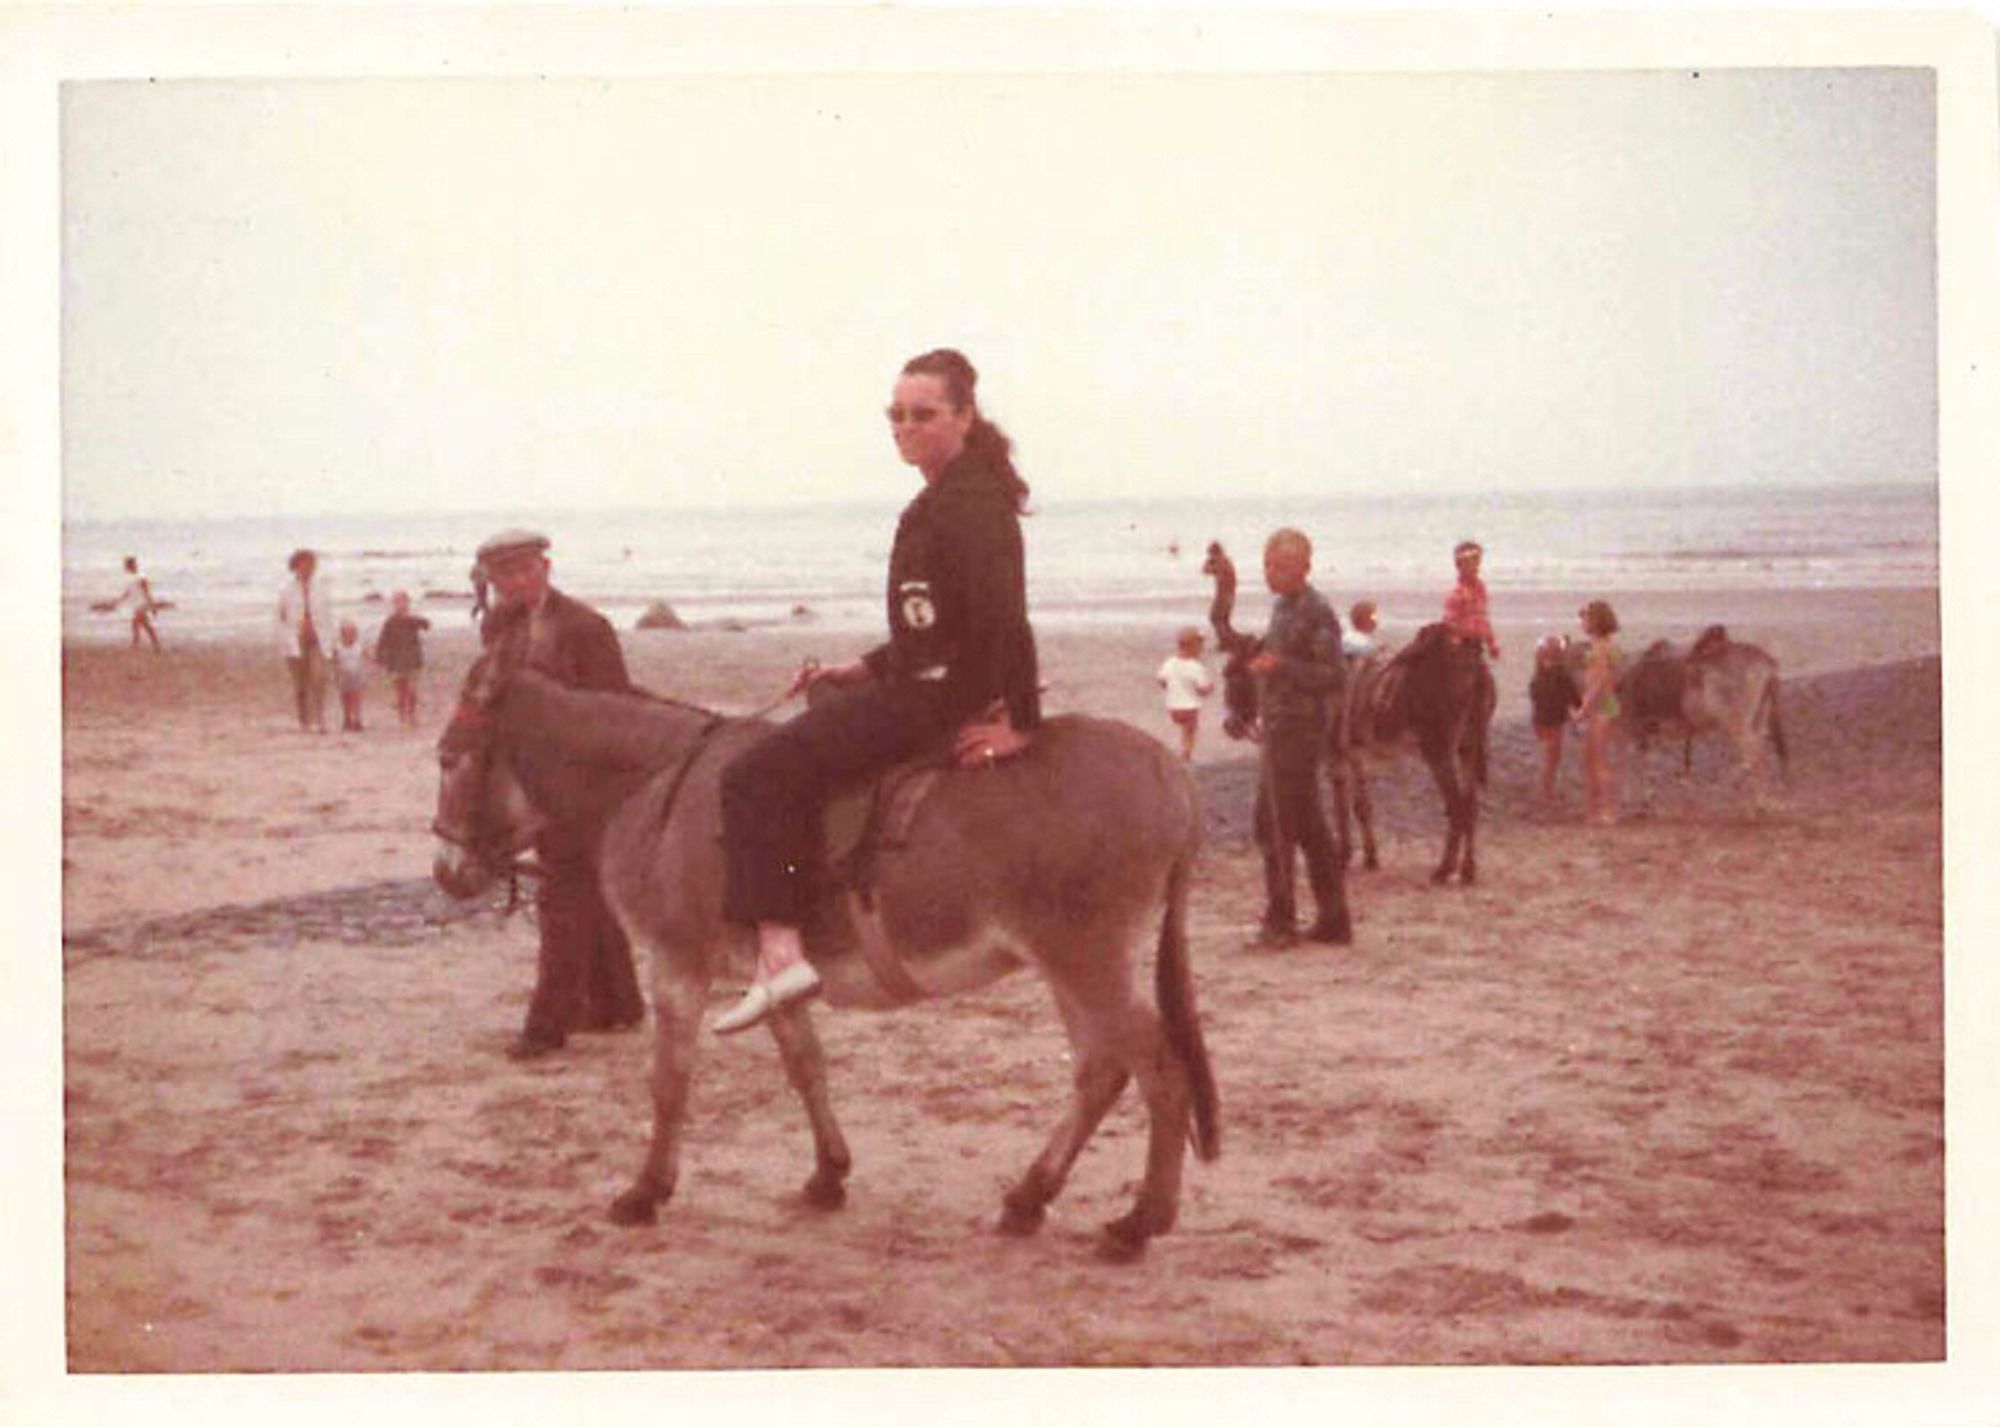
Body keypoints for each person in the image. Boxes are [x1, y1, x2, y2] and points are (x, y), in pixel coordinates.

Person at [714, 347, 1041, 1036]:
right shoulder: (942, 496)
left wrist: (1024, 726)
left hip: (936, 699)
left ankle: (781, 955)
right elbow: (934, 629)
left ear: (964, 416)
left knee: (756, 774)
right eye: (896, 415)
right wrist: (860, 669)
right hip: (921, 681)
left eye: (924, 414)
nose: (906, 427)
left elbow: (1005, 620)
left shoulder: (969, 504)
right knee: (818, 729)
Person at [476, 529, 647, 1060]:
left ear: (546, 567)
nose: (518, 581)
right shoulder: (497, 624)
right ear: (493, 580)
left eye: (527, 569)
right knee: (587, 890)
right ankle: (619, 1006)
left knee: (562, 894)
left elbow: (613, 707)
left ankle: (545, 1028)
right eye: (506, 574)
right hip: (532, 778)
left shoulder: (585, 627)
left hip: (587, 780)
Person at [1246, 527, 1349, 947]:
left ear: (1305, 567)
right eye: (1269, 565)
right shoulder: (1282, 609)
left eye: (1283, 566)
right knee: (1307, 825)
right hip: (1278, 725)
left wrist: (1280, 668)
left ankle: (1281, 920)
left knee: (1273, 821)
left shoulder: (1316, 611)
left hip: (1301, 729)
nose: (1273, 573)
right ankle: (1333, 919)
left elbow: (1333, 675)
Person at [1571, 599, 1624, 826]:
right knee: (1590, 761)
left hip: (1602, 706)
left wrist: (1583, 709)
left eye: (1586, 618)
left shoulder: (1602, 648)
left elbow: (1600, 682)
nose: (1582, 622)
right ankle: (1594, 809)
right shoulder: (1604, 646)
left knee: (1599, 761)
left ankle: (1609, 810)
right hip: (1603, 704)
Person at [277, 548, 332, 733]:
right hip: (295, 640)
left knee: (319, 677)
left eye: (311, 565)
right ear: (296, 567)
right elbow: (280, 618)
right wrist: (285, 640)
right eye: (304, 565)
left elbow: (327, 615)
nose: (308, 568)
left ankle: (320, 718)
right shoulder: (286, 590)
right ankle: (304, 720)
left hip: (317, 638)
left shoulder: (321, 587)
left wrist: (332, 641)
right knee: (301, 683)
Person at [1530, 633, 1581, 805]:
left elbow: (1535, 698)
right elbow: (1575, 699)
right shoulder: (1563, 676)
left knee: (1546, 757)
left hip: (1539, 721)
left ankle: (1545, 792)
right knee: (1552, 759)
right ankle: (1547, 794)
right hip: (1555, 722)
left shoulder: (1538, 676)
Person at [1156, 626, 1215, 762]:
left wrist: (1172, 687)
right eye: (1200, 646)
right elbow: (1202, 690)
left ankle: (1183, 751)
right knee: (1190, 732)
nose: (1202, 649)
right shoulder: (1196, 667)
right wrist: (1210, 688)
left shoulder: (1169, 663)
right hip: (1190, 708)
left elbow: (1161, 680)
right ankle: (1186, 753)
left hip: (1173, 706)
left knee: (1184, 729)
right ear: (1192, 647)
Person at [373, 591, 431, 728]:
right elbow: (383, 640)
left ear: (408, 603)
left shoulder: (412, 620)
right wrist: (380, 656)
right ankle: (402, 717)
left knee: (412, 690)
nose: (401, 605)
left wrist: (412, 619)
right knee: (400, 691)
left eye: (404, 602)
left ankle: (412, 715)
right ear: (394, 605)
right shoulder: (390, 621)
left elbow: (427, 625)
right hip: (396, 661)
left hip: (412, 659)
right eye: (398, 602)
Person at [1442, 540, 1501, 660]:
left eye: (1477, 561)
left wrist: (1491, 643)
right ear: (1460, 566)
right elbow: (1449, 625)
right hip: (1460, 650)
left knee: (1487, 678)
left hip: (1476, 648)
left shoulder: (1480, 589)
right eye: (1470, 562)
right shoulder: (1456, 594)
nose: (1475, 566)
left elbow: (1483, 619)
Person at [102, 556, 163, 652]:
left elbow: (146, 591)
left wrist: (151, 605)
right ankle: (153, 645)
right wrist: (118, 601)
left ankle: (138, 644)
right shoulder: (131, 578)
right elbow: (128, 592)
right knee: (142, 624)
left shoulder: (141, 576)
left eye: (127, 565)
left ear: (132, 565)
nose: (125, 567)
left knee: (138, 623)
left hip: (142, 603)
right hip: (136, 603)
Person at [332, 619, 368, 732]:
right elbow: (334, 662)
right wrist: (335, 675)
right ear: (342, 634)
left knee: (356, 698)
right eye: (347, 633)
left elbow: (369, 656)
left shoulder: (359, 647)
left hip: (356, 676)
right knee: (345, 699)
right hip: (344, 676)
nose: (350, 636)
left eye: (352, 633)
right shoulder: (338, 647)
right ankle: (347, 719)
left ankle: (357, 719)